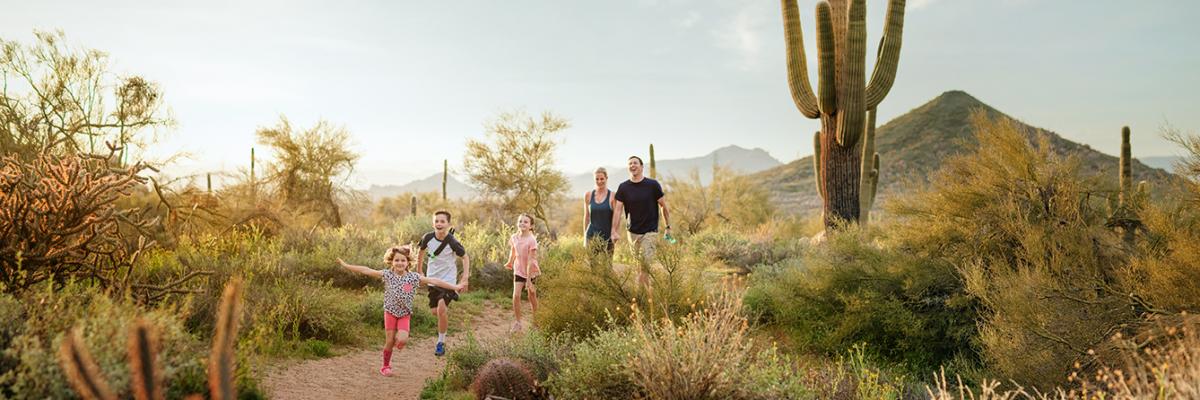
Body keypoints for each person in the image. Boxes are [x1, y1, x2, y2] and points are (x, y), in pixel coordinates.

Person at [337, 245, 463, 376]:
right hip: (390, 312)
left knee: (402, 339)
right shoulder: (387, 275)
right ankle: (385, 366)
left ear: (408, 262)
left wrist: (454, 286)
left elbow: (433, 280)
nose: (400, 263)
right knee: (389, 341)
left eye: (403, 260)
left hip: (404, 314)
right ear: (391, 261)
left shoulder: (414, 277)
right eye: (397, 260)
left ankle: (399, 342)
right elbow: (366, 270)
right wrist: (346, 265)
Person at [611, 155, 671, 292]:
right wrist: (614, 230)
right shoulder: (623, 187)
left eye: (635, 163)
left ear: (642, 166)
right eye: (630, 163)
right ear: (628, 168)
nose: (633, 165)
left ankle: (639, 295)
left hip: (650, 231)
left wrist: (668, 226)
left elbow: (663, 206)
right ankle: (646, 295)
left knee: (644, 265)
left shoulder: (652, 185)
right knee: (639, 266)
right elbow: (618, 211)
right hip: (632, 232)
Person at [416, 210, 470, 357]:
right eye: (436, 221)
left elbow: (465, 257)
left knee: (441, 310)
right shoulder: (427, 237)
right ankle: (451, 297)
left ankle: (441, 342)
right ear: (433, 223)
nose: (439, 224)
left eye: (442, 221)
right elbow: (420, 252)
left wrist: (464, 278)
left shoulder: (452, 241)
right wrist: (419, 271)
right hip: (432, 279)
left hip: (448, 280)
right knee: (435, 312)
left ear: (448, 224)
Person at [503, 213, 541, 332]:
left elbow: (531, 260)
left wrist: (529, 280)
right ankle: (518, 322)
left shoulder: (532, 240)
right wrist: (510, 261)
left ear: (531, 226)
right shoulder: (514, 237)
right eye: (520, 221)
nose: (522, 224)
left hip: (531, 271)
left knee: (531, 296)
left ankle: (536, 322)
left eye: (525, 222)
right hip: (518, 270)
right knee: (516, 296)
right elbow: (513, 250)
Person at [583, 167, 615, 258]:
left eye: (602, 179)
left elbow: (615, 217)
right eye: (597, 179)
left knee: (607, 266)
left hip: (608, 236)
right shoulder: (588, 195)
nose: (599, 181)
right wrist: (585, 237)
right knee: (593, 266)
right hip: (592, 235)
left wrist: (614, 232)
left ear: (606, 178)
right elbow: (586, 217)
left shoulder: (612, 196)